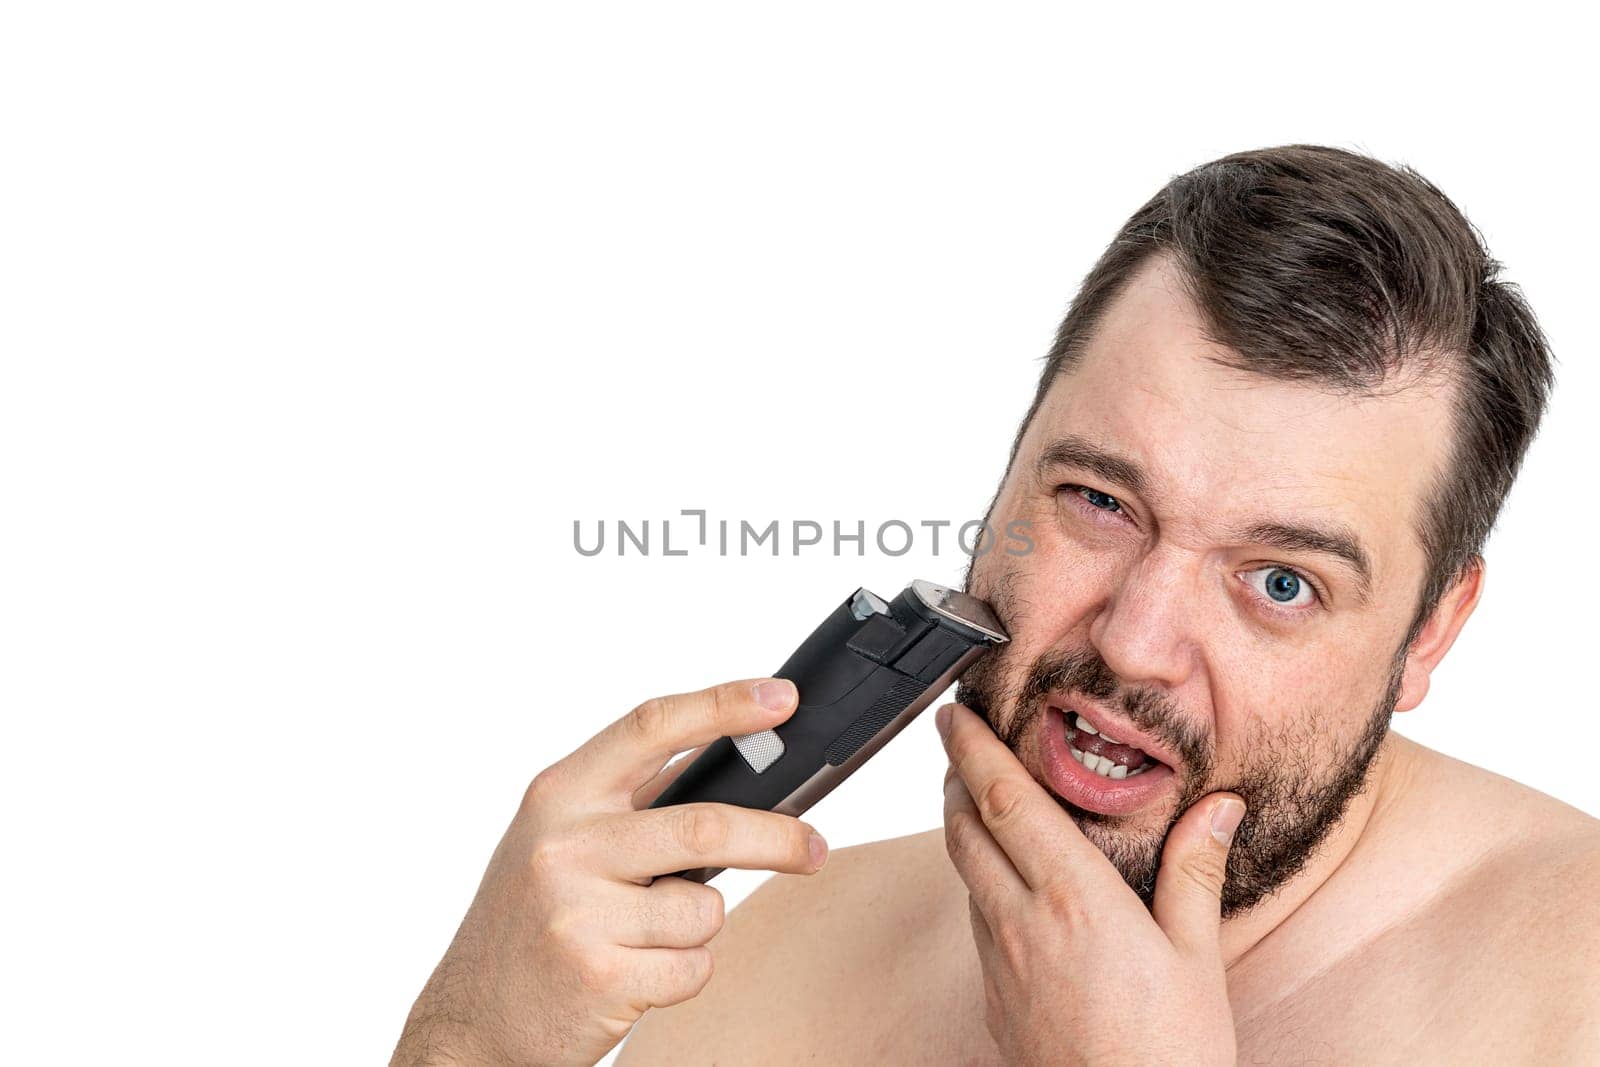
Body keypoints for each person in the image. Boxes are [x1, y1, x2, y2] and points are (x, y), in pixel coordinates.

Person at [390, 145, 1600, 1066]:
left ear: (1430, 632)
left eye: (1279, 582)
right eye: (1098, 501)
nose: (1131, 641)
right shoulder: (761, 953)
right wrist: (475, 1040)